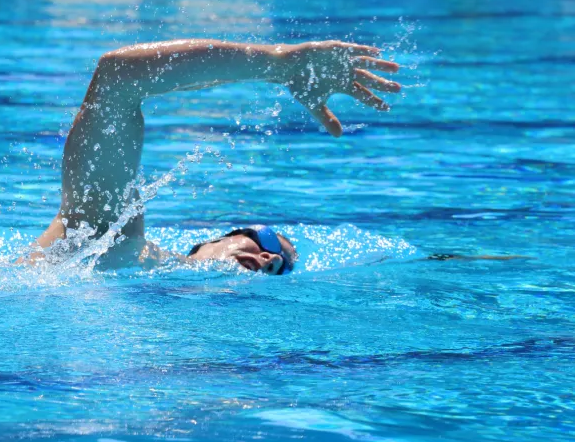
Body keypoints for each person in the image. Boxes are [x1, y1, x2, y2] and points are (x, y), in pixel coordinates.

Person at [30, 39, 403, 273]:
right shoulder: (108, 242)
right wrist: (278, 65)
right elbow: (118, 77)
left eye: (281, 268)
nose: (272, 259)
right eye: (266, 242)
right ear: (210, 241)